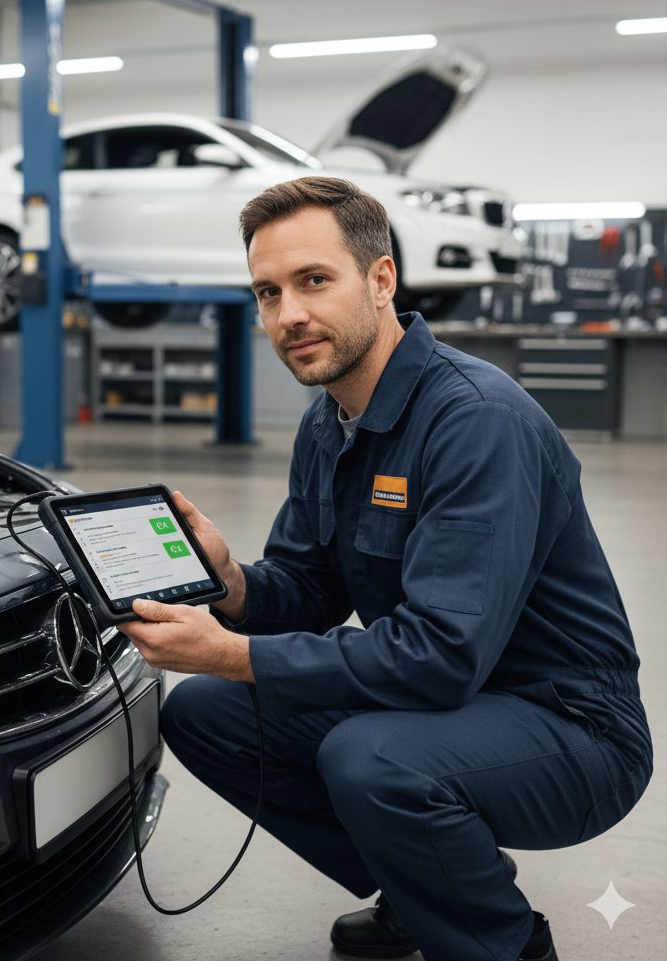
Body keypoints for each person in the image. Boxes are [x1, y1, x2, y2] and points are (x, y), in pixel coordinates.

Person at [117, 176, 652, 961]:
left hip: (573, 727)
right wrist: (231, 584)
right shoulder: (330, 421)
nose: (288, 314)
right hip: (451, 708)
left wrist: (232, 652)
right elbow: (309, 588)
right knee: (206, 714)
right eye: (267, 293)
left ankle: (502, 947)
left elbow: (439, 656)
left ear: (381, 280)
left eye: (313, 281)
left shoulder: (477, 422)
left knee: (369, 759)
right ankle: (423, 884)